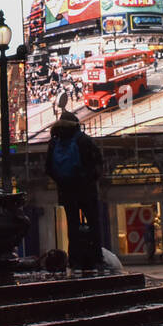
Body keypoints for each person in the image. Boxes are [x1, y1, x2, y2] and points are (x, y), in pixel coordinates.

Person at [44, 110, 105, 272]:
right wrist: (90, 179)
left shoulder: (54, 142)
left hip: (66, 192)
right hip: (87, 190)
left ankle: (75, 260)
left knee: (72, 225)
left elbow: (48, 168)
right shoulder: (83, 140)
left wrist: (63, 181)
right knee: (93, 223)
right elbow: (98, 161)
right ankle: (97, 259)